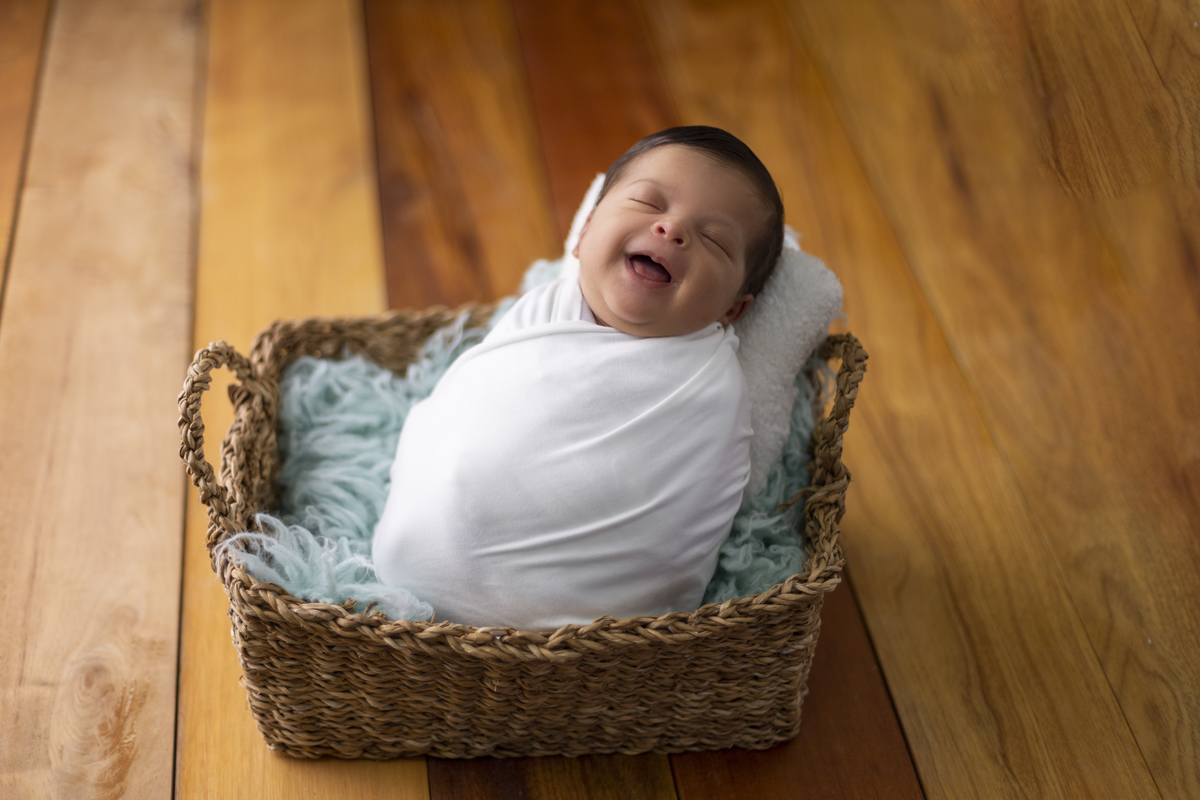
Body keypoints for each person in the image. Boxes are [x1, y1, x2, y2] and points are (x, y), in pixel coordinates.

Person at [372, 126, 784, 630]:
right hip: (410, 567)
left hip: (591, 631)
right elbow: (468, 410)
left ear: (733, 309)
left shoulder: (709, 386)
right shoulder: (543, 309)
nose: (672, 230)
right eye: (648, 203)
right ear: (585, 233)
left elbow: (686, 508)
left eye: (714, 240)